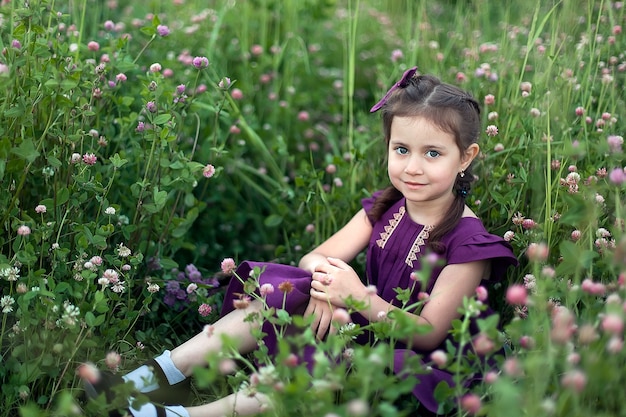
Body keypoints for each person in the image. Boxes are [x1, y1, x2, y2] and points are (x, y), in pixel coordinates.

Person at [80, 67, 518, 417]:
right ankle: (157, 374)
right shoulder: (388, 206)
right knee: (283, 289)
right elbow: (317, 256)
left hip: (417, 364)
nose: (413, 168)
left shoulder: (468, 243)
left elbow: (428, 333)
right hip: (367, 328)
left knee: (316, 367)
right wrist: (329, 291)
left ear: (466, 156)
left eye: (433, 154)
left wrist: (356, 299)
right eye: (401, 149)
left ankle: (187, 415)